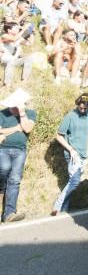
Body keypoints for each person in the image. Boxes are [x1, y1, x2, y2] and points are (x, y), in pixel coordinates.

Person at [51, 93, 88, 215]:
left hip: (84, 153)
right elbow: (59, 136)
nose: (82, 110)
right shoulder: (70, 116)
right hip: (73, 154)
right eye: (80, 107)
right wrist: (71, 150)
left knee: (72, 182)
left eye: (85, 108)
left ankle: (65, 208)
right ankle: (57, 206)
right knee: (75, 181)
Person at [0, 88, 36, 223]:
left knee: (15, 180)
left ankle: (9, 213)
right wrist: (15, 129)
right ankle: (1, 189)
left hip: (20, 151)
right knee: (3, 169)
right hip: (3, 149)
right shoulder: (2, 114)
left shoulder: (29, 113)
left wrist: (21, 115)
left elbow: (27, 128)